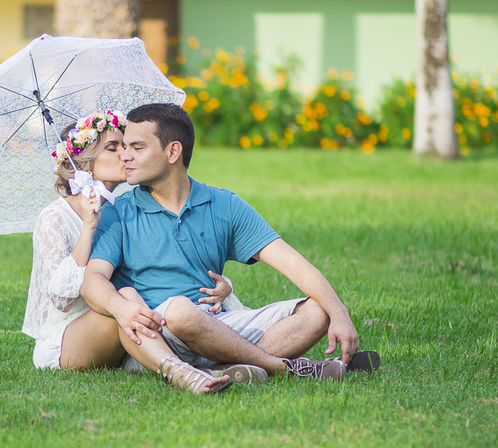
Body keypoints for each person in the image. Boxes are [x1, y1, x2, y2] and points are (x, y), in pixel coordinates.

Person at [81, 103, 380, 382]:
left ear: (172, 152)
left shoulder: (223, 204)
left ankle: (223, 368)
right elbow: (93, 279)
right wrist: (119, 307)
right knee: (182, 311)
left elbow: (291, 263)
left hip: (218, 327)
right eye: (123, 147)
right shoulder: (119, 211)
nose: (124, 156)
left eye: (136, 147)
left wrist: (340, 313)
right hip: (157, 336)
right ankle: (284, 367)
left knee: (318, 310)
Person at [22, 111, 247, 394]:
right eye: (113, 148)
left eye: (127, 146)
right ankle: (183, 372)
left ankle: (217, 362)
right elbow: (61, 299)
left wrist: (226, 286)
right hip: (71, 336)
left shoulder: (124, 209)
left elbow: (160, 268)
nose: (126, 155)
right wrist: (89, 227)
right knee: (126, 297)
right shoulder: (54, 217)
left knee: (134, 301)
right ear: (82, 161)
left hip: (124, 323)